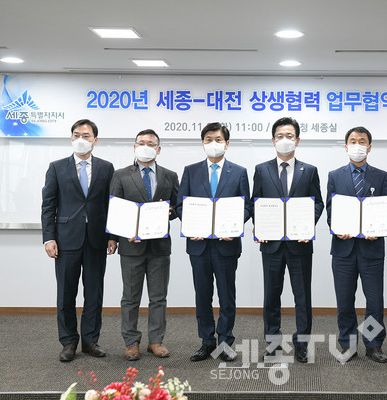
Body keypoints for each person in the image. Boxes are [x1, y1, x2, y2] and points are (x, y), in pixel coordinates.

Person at [176, 122, 252, 362]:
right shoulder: (190, 171)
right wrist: (191, 226)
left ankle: (225, 342)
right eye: (208, 139)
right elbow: (180, 205)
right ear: (202, 143)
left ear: (226, 144)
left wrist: (234, 227)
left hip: (226, 244)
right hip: (199, 246)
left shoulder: (239, 172)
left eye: (218, 140)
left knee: (227, 296)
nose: (213, 144)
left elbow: (247, 206)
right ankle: (207, 341)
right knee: (202, 295)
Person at [41, 119, 115, 362]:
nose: (81, 139)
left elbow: (111, 205)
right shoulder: (56, 167)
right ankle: (69, 341)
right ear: (71, 138)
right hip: (65, 240)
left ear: (95, 140)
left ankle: (90, 341)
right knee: (66, 293)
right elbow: (48, 206)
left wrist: (112, 237)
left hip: (96, 240)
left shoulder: (106, 168)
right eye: (76, 135)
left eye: (86, 135)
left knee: (94, 293)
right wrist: (49, 238)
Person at [252, 116, 324, 363]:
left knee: (302, 297)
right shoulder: (261, 170)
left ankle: (302, 344)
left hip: (300, 245)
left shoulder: (309, 170)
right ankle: (273, 343)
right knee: (271, 297)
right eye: (280, 136)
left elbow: (318, 203)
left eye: (290, 136)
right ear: (273, 140)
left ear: (297, 140)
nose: (285, 140)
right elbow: (256, 202)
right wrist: (260, 226)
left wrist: (307, 226)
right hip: (271, 246)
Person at [107, 129, 179, 361]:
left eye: (151, 143)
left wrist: (170, 210)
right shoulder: (120, 175)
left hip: (159, 247)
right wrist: (116, 236)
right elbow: (115, 209)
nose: (146, 146)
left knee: (158, 297)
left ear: (159, 149)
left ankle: (156, 340)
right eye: (141, 143)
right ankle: (131, 342)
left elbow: (177, 207)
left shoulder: (170, 176)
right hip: (131, 247)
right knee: (130, 297)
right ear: (134, 147)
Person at [326, 126, 387, 363]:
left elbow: (386, 210)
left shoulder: (381, 176)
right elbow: (330, 210)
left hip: (371, 250)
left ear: (369, 147)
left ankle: (374, 345)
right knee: (344, 301)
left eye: (362, 141)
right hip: (343, 250)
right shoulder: (335, 176)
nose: (357, 145)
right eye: (352, 141)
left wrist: (380, 230)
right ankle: (348, 344)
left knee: (374, 302)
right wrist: (337, 227)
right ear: (346, 147)